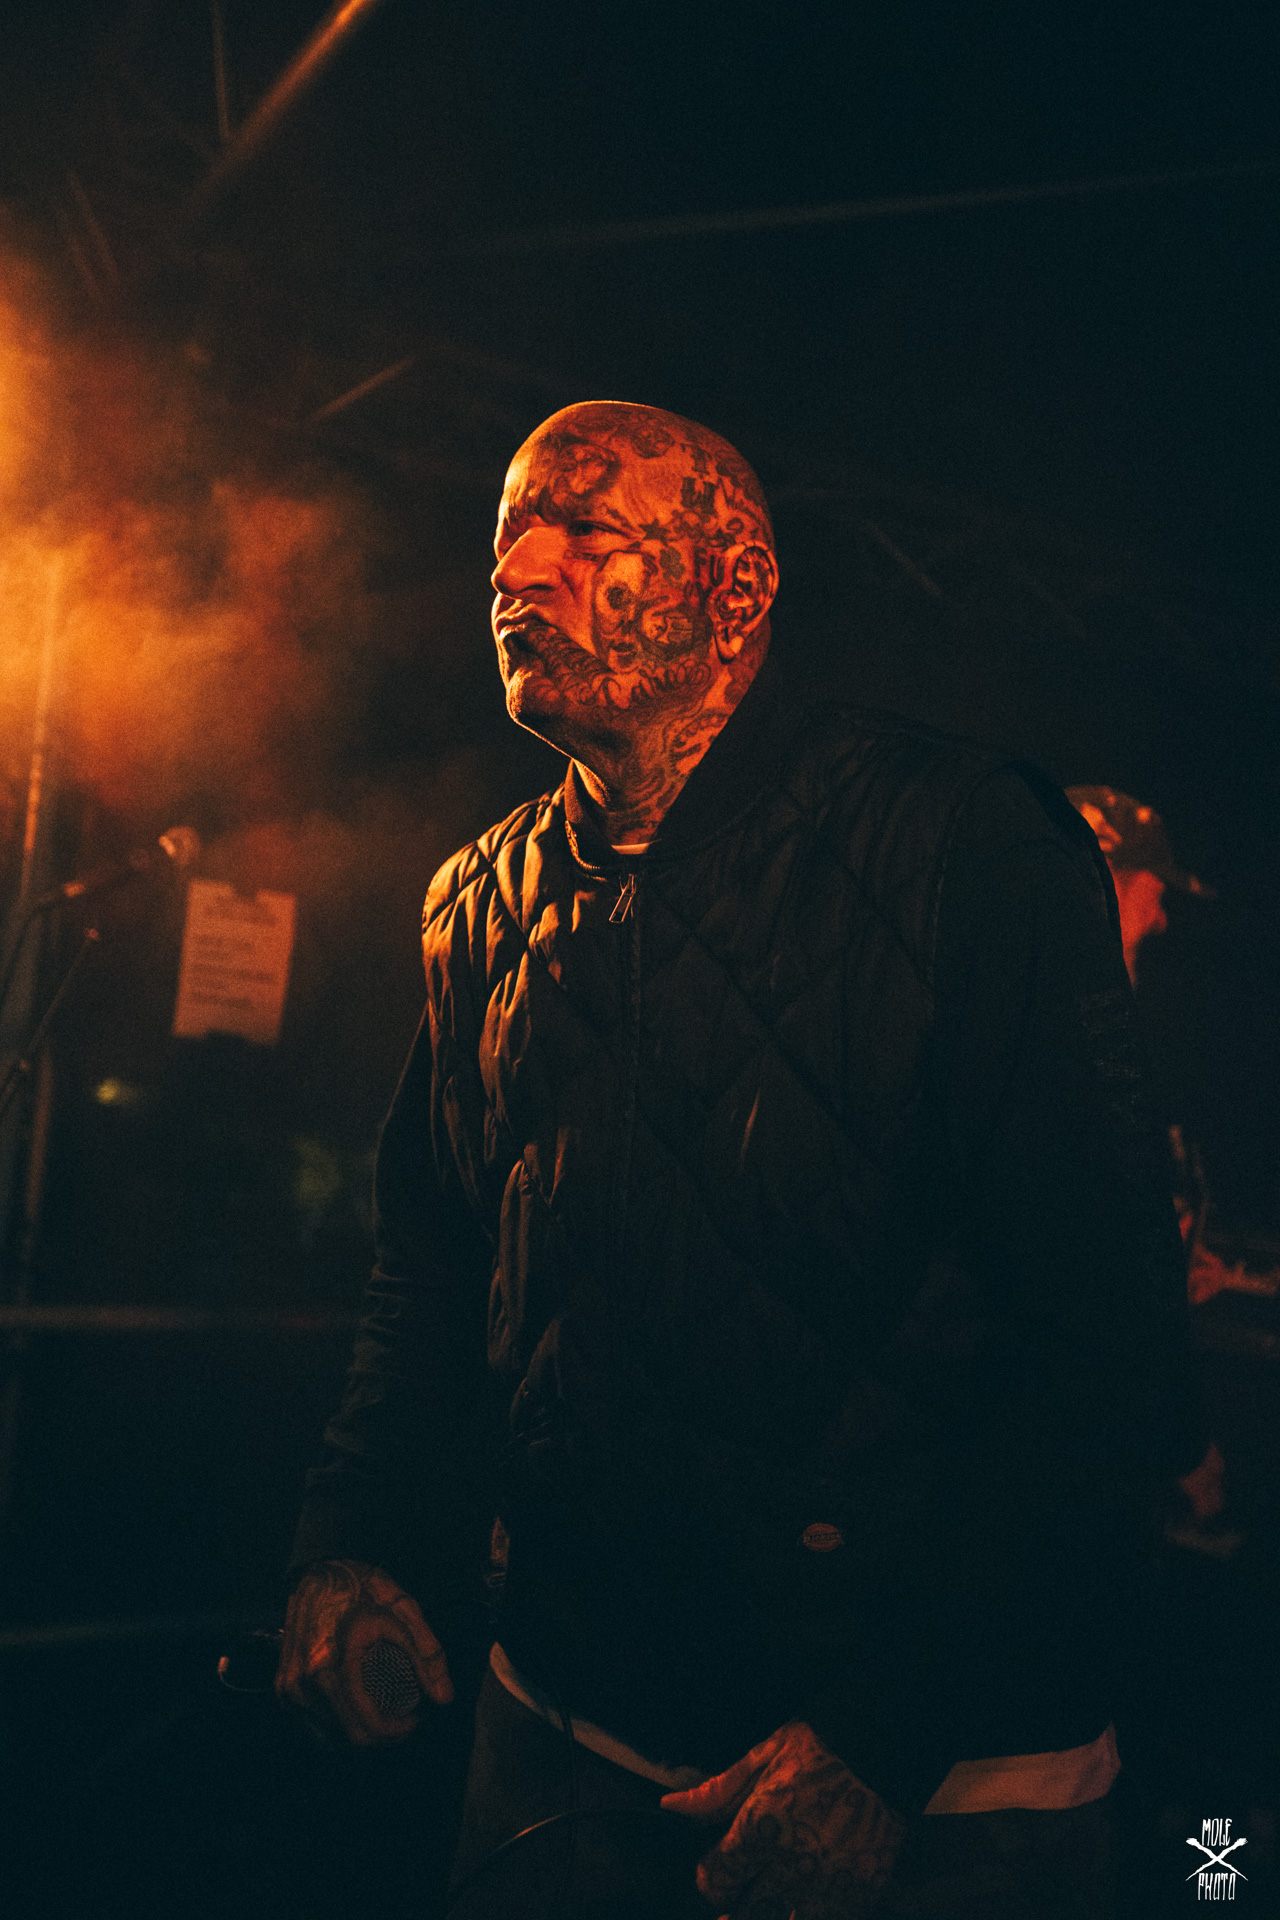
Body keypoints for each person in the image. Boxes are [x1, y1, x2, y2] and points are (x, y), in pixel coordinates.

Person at [278, 403, 1202, 1918]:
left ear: (740, 588)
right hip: (559, 1717)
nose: (517, 568)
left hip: (940, 1792)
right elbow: (432, 1268)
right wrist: (357, 1537)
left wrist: (885, 1734)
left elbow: (1112, 1351)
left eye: (583, 529)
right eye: (507, 538)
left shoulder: (958, 842)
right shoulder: (479, 898)